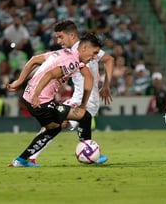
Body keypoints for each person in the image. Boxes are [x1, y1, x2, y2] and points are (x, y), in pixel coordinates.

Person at [7, 33, 104, 167]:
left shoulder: (62, 53)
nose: (94, 58)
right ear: (84, 48)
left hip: (30, 98)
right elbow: (50, 74)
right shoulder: (72, 62)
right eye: (94, 53)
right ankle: (88, 149)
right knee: (84, 116)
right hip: (41, 101)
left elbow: (34, 59)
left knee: (54, 128)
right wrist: (36, 94)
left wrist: (19, 82)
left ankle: (20, 160)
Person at [28, 20, 114, 164]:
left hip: (92, 101)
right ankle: (31, 156)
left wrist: (106, 85)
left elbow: (109, 60)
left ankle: (89, 153)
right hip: (80, 100)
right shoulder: (70, 53)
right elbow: (46, 66)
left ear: (72, 36)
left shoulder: (87, 48)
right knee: (56, 124)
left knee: (76, 125)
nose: (59, 41)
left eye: (61, 37)